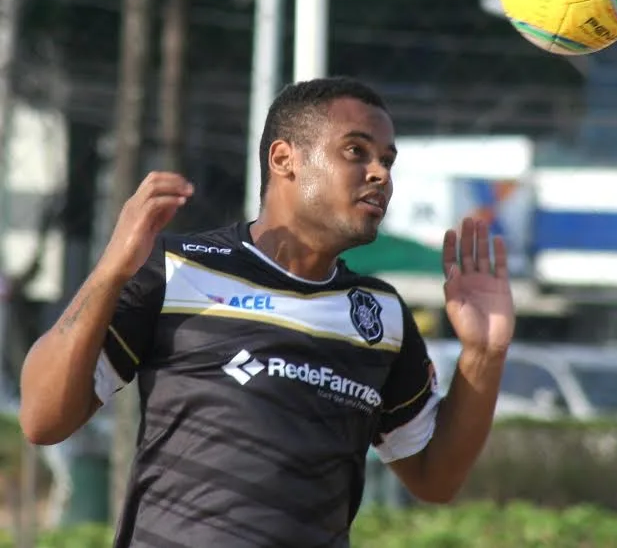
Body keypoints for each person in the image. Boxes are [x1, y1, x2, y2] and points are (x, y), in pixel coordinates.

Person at [19, 77, 515, 547]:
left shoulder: (380, 314)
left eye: (387, 159)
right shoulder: (177, 271)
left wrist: (484, 354)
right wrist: (109, 271)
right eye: (355, 151)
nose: (379, 173)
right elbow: (43, 420)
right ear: (284, 159)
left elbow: (434, 479)